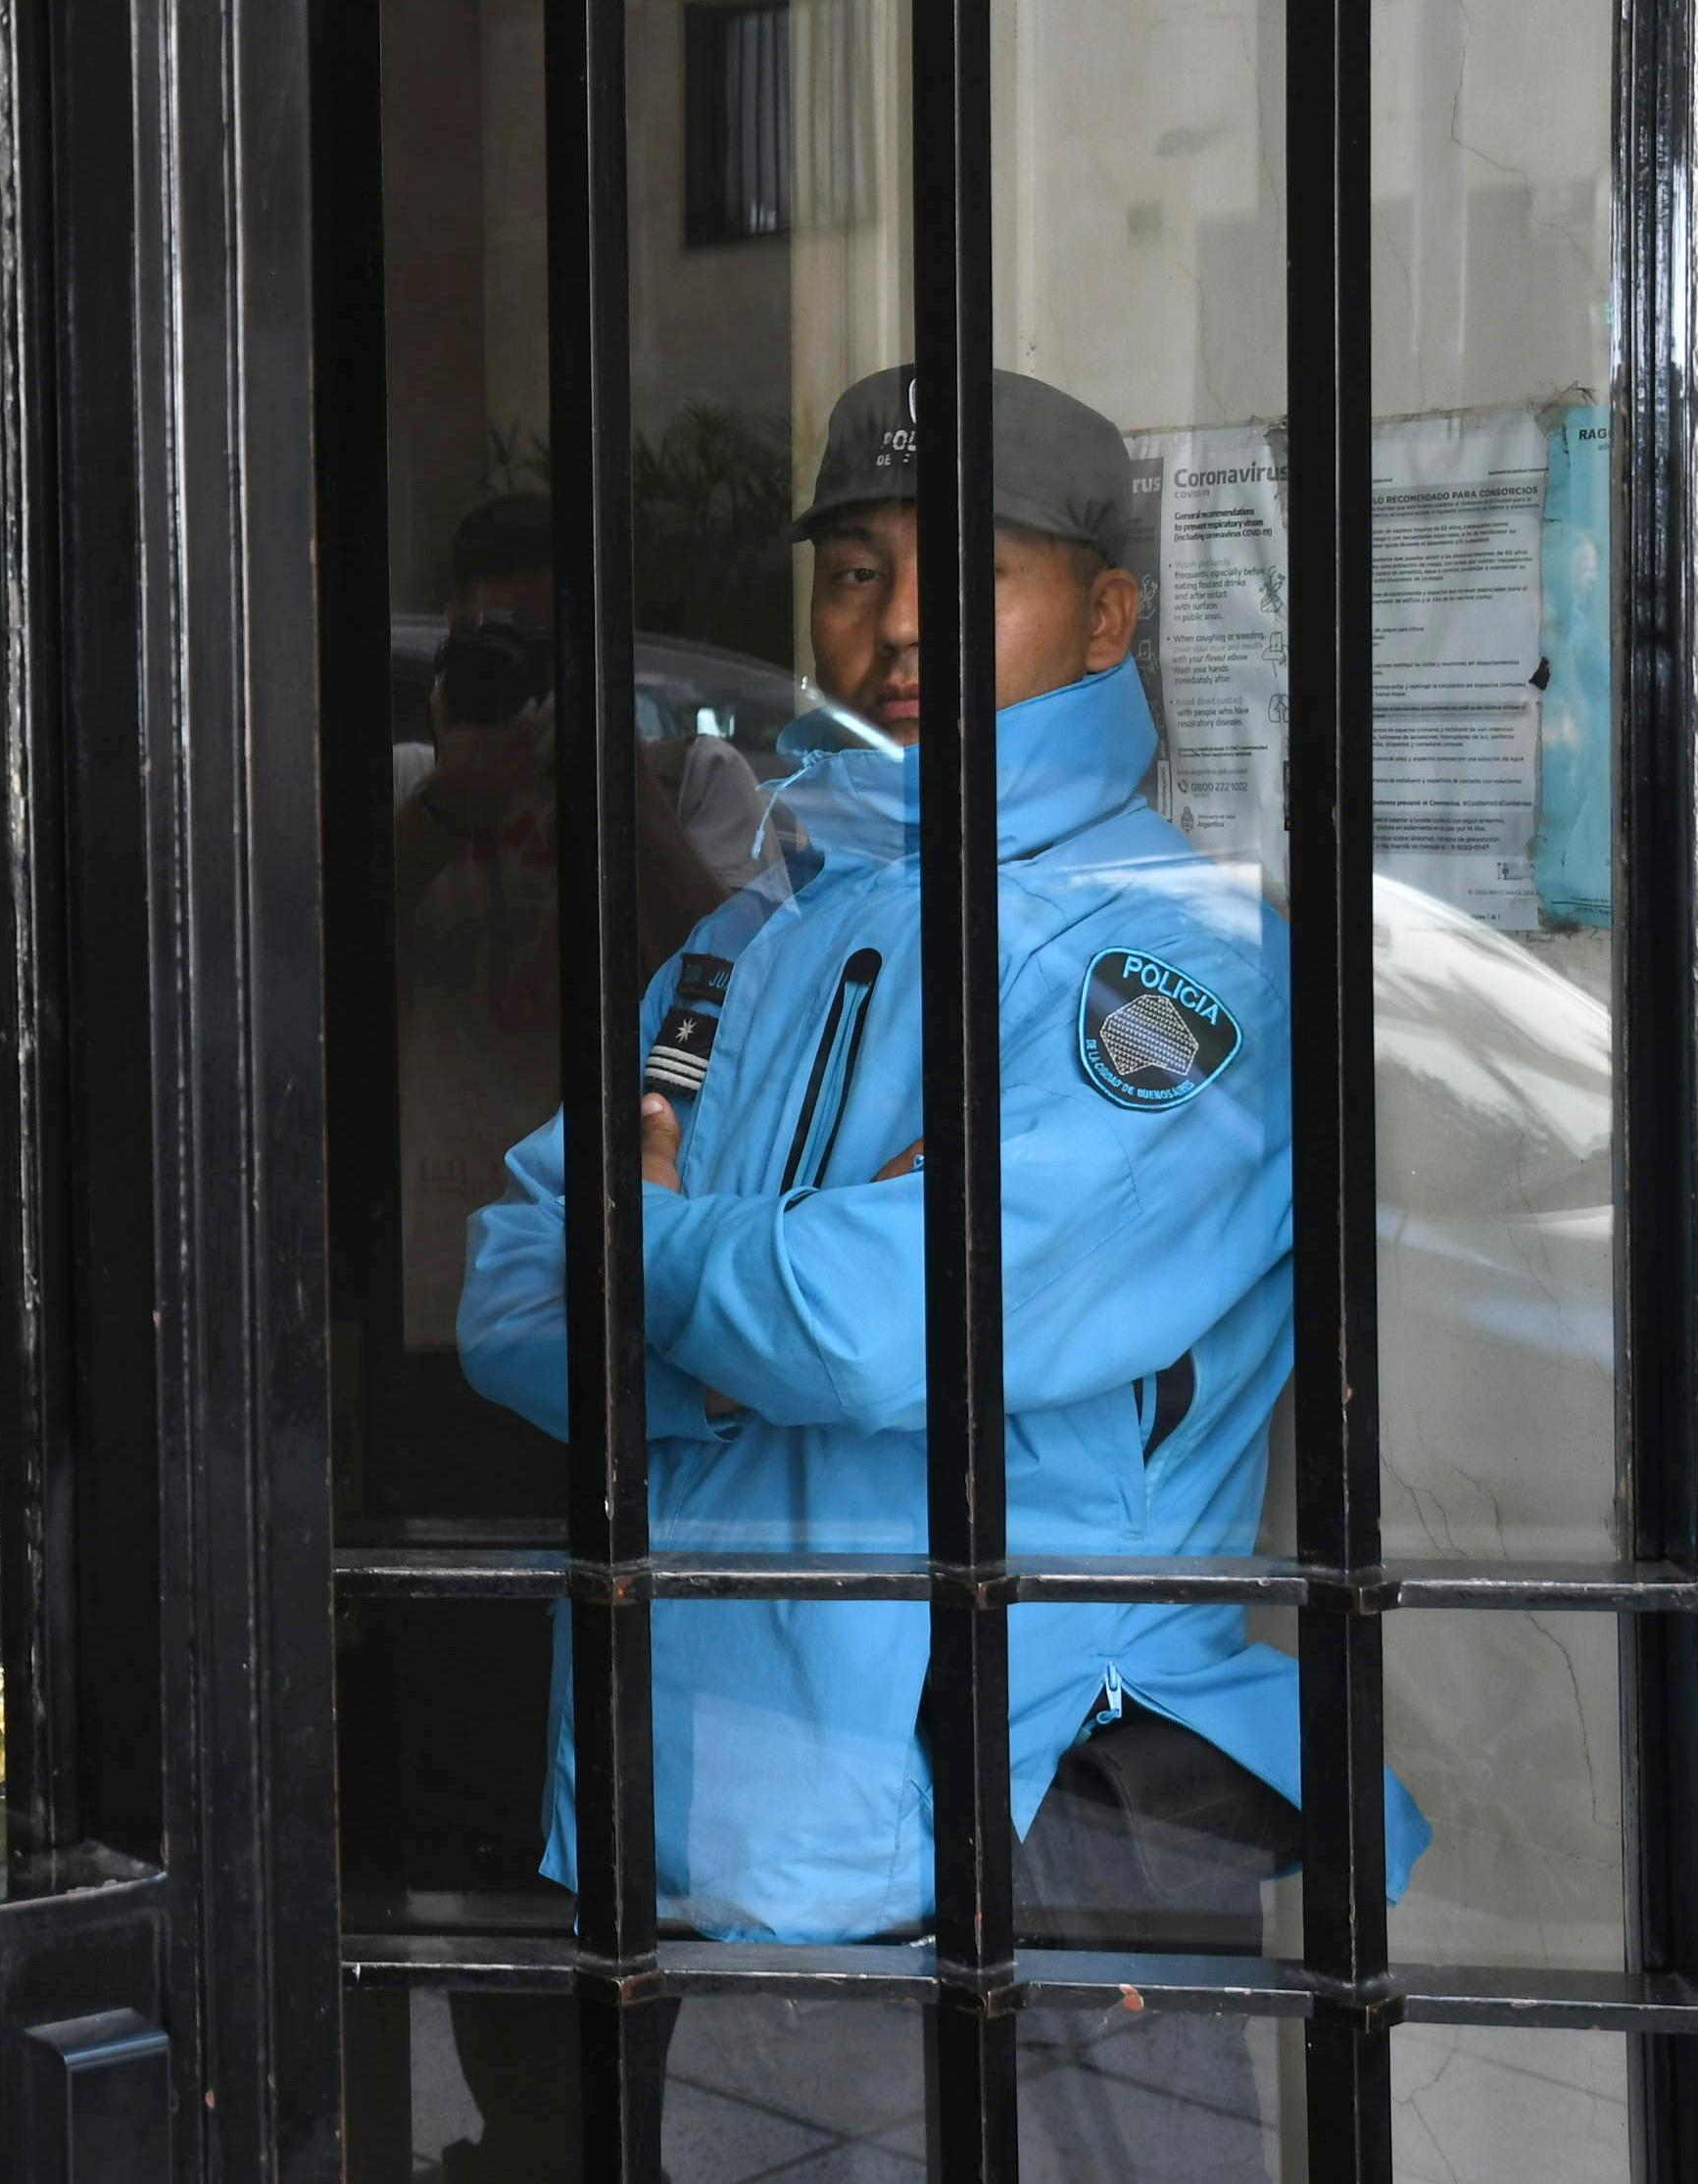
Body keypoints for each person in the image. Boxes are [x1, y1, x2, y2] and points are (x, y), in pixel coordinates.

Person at [448, 369, 1430, 2178]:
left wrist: (666, 1254)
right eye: (852, 571)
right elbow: (508, 1298)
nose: (893, 623)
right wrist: (758, 1317)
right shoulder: (759, 933)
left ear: (1107, 611)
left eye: (965, 570)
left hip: (1020, 1821)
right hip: (708, 1835)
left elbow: (881, 1317)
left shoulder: (1176, 964)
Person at [350, 495, 779, 2179]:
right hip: (440, 1349)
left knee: (619, 1756)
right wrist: (453, 803)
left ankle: (615, 2125)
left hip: (618, 1336)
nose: (510, 673)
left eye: (540, 643)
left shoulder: (693, 794)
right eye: (489, 643)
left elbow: (733, 985)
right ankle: (519, 2123)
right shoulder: (409, 807)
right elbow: (311, 989)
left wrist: (596, 783)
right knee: (463, 1769)